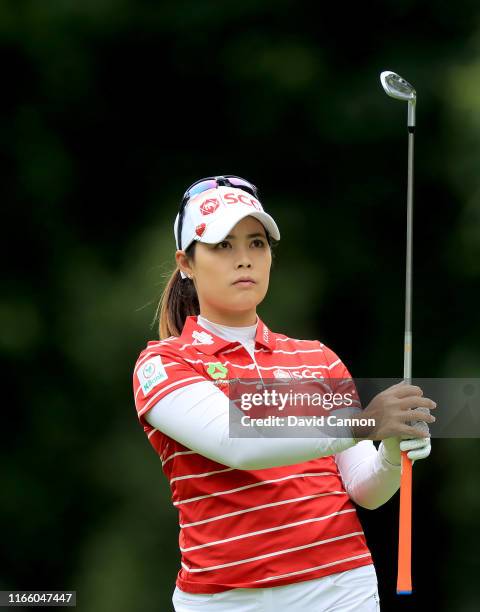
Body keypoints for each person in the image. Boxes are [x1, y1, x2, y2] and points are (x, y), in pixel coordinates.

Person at [132, 175, 436, 612]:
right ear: (186, 263)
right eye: (223, 245)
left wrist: (390, 450)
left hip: (340, 587)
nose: (245, 260)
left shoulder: (317, 359)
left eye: (257, 243)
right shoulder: (163, 363)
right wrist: (364, 422)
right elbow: (234, 441)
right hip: (223, 600)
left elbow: (363, 488)